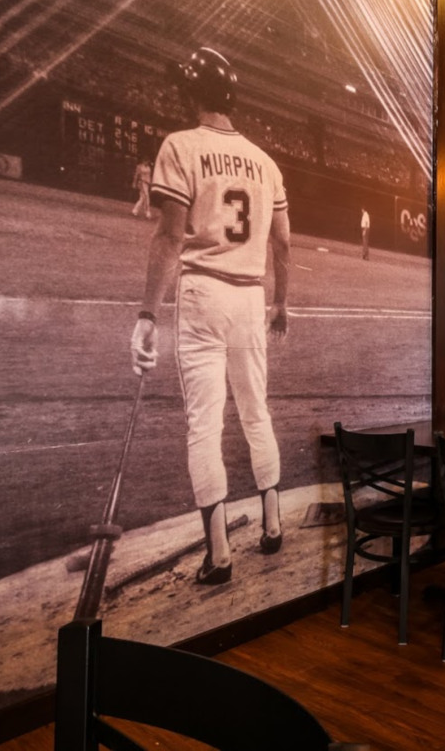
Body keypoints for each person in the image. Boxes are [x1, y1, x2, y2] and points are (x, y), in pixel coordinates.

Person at [130, 47, 291, 585]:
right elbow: (284, 245)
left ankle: (219, 557)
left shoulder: (181, 145)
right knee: (256, 413)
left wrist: (147, 312)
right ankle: (272, 528)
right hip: (250, 296)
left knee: (205, 425)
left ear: (192, 93)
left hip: (202, 292)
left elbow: (170, 236)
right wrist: (281, 303)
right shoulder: (266, 162)